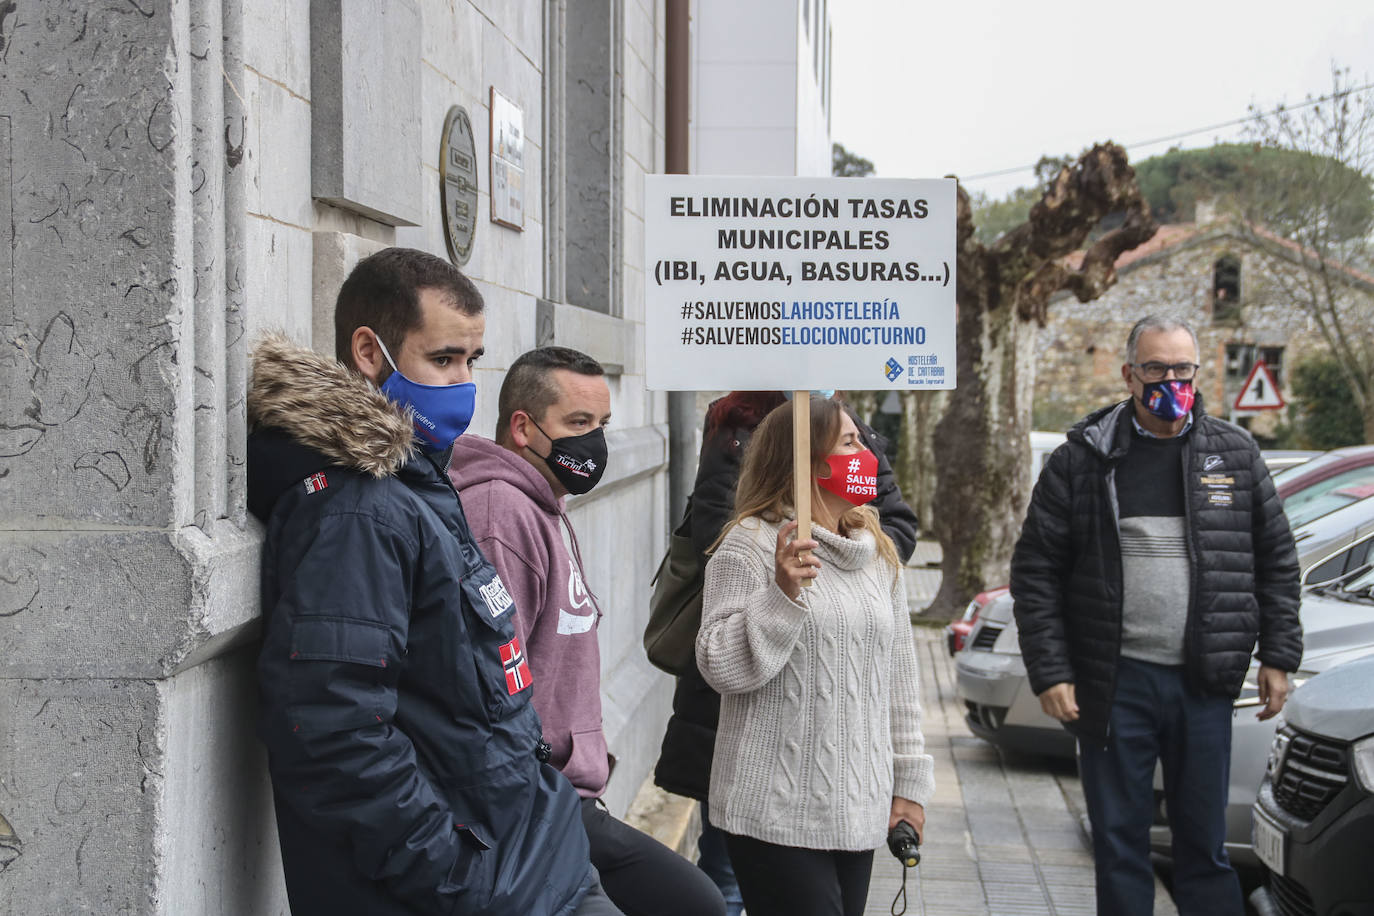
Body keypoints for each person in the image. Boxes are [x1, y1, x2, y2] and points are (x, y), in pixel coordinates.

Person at [246, 248, 621, 916]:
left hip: (534, 861)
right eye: (444, 359)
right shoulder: (356, 512)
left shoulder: (416, 488)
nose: (464, 384)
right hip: (485, 888)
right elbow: (334, 730)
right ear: (370, 352)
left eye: (473, 361)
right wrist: (459, 877)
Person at [1010, 315, 1302, 916]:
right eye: (1156, 369)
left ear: (1197, 372)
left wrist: (1279, 655)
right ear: (1129, 375)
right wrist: (1051, 670)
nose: (1171, 380)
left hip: (1204, 684)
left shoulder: (1235, 454)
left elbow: (1275, 560)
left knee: (1204, 849)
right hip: (1116, 684)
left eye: (1182, 369)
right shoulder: (1083, 460)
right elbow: (1036, 568)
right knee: (1119, 847)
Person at [449, 346, 727, 916]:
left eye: (601, 425)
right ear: (523, 428)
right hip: (535, 804)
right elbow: (489, 680)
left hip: (567, 797)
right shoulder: (500, 515)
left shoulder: (542, 503)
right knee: (694, 903)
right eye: (578, 424)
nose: (594, 442)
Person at [653, 391, 917, 915]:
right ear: (808, 462)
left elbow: (901, 681)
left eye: (861, 441)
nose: (864, 454)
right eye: (848, 442)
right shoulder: (748, 544)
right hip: (772, 811)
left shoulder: (876, 551)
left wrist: (910, 784)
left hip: (858, 809)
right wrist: (782, 594)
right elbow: (720, 666)